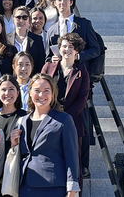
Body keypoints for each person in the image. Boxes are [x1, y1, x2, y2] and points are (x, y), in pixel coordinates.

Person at [46, 0, 99, 179]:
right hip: (58, 81)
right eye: (58, 0)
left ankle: (83, 165)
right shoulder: (50, 29)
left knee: (81, 123)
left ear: (71, 1)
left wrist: (78, 57)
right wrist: (51, 61)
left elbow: (96, 49)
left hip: (79, 78)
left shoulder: (83, 24)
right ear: (54, 3)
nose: (62, 3)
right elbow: (47, 56)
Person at [10, 73, 80, 197]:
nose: (41, 95)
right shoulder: (22, 121)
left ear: (53, 94)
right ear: (30, 92)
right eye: (37, 90)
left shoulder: (63, 120)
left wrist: (72, 189)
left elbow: (72, 155)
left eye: (46, 91)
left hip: (52, 187)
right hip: (25, 186)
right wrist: (14, 145)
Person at [41, 33, 90, 194]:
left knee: (73, 161)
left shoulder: (81, 71)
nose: (67, 49)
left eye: (71, 47)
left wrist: (66, 117)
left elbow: (83, 98)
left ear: (77, 51)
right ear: (59, 49)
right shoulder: (48, 67)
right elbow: (40, 91)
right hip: (48, 119)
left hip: (72, 122)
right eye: (64, 46)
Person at [0, 74, 27, 156]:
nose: (7, 93)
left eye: (11, 89)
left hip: (17, 165)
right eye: (3, 90)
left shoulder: (26, 117)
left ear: (17, 93)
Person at [7, 6, 45, 75]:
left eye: (24, 18)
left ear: (29, 20)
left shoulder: (37, 40)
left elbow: (40, 64)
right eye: (18, 17)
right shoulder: (6, 39)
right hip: (11, 81)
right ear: (13, 19)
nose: (21, 20)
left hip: (32, 81)